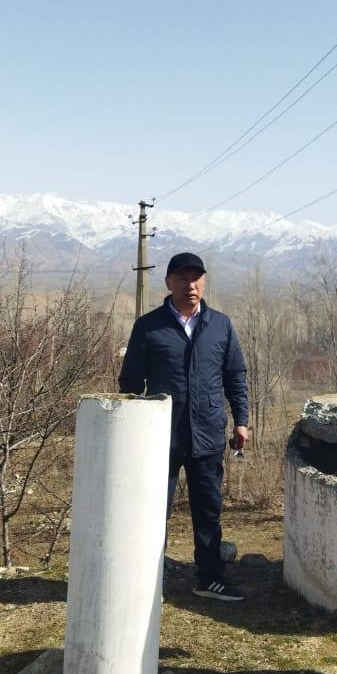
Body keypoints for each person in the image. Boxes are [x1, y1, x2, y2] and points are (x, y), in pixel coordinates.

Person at [119, 251, 248, 602]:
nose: (190, 285)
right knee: (152, 511)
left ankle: (209, 579)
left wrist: (242, 421)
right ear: (168, 283)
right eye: (182, 278)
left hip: (207, 435)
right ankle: (149, 583)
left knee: (208, 511)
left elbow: (235, 376)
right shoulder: (149, 327)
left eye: (196, 278)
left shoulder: (220, 325)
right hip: (160, 438)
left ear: (203, 281)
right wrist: (133, 429)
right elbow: (130, 383)